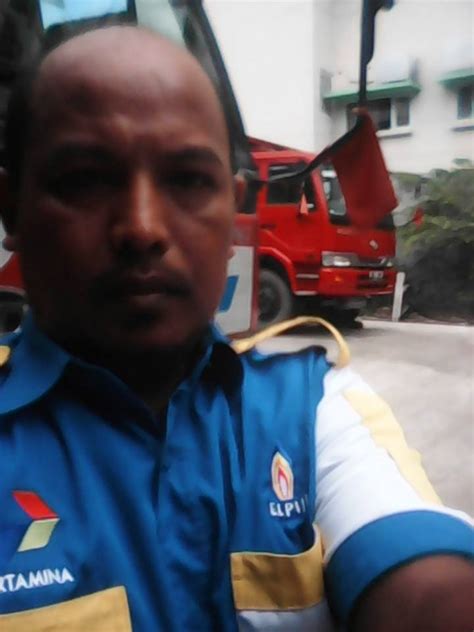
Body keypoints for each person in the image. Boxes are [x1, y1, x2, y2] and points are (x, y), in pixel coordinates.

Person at [0, 26, 472, 632]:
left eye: (188, 181)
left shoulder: (314, 412)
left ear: (233, 213)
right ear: (12, 210)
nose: (142, 227)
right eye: (85, 181)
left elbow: (426, 584)